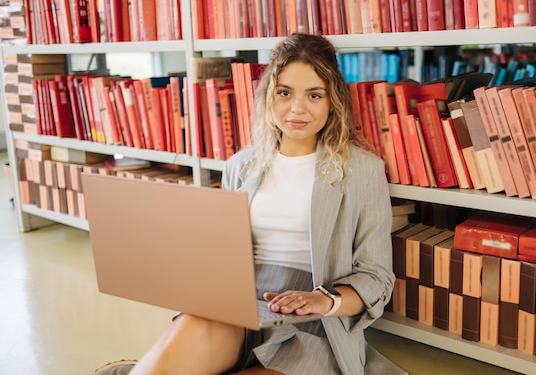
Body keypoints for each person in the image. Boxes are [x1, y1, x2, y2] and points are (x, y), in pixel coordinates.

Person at [93, 33, 407, 375]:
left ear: (332, 102)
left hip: (315, 324)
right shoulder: (240, 166)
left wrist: (325, 299)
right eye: (284, 93)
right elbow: (221, 256)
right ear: (268, 97)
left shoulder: (362, 170)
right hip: (236, 308)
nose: (297, 108)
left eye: (314, 95)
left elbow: (377, 276)